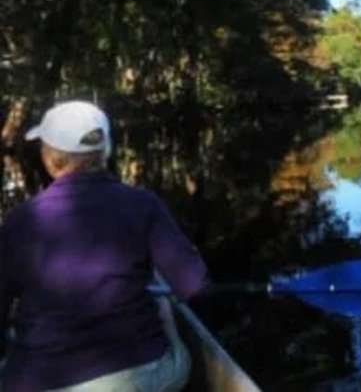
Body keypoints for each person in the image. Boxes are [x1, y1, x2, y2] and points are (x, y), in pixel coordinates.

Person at [0, 100, 210, 391]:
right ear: (105, 150)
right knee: (165, 310)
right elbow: (193, 283)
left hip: (40, 381)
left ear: (50, 157)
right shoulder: (142, 205)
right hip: (136, 375)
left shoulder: (21, 220)